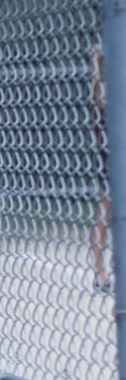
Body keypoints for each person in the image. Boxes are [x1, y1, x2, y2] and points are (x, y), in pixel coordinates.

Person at [91, 42, 113, 293]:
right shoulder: (102, 86)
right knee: (105, 214)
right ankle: (100, 273)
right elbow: (104, 103)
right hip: (110, 160)